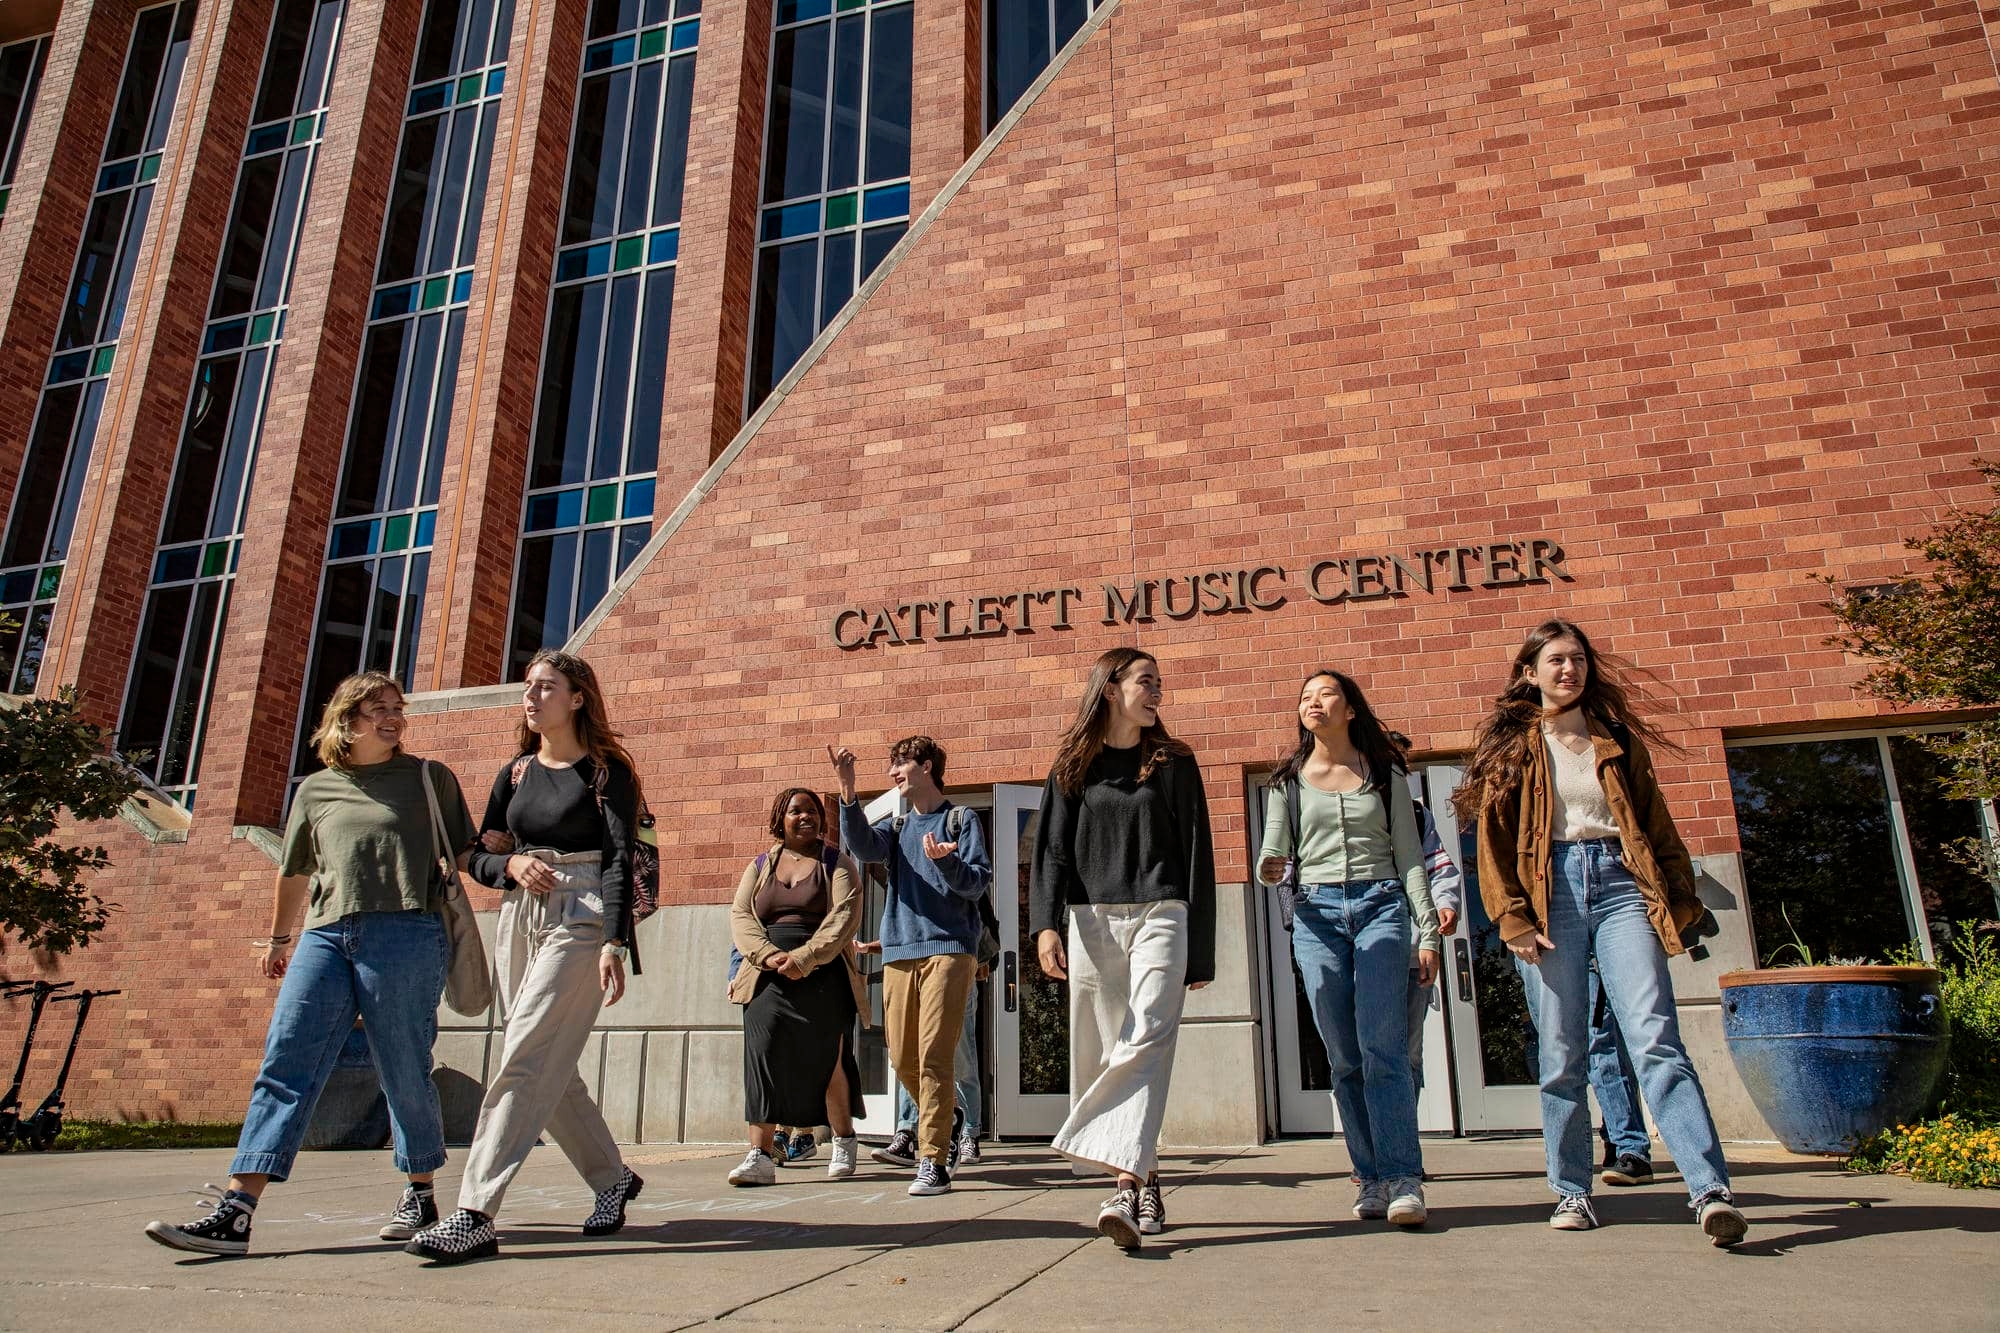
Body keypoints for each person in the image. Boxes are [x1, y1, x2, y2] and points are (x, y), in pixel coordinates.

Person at [146, 672, 473, 1256]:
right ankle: (237, 1209)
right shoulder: (316, 790)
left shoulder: (429, 779)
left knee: (402, 1065)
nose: (393, 717)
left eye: (398, 708)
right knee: (286, 1059)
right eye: (379, 709)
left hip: (405, 931)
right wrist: (277, 940)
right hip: (325, 935)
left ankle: (419, 1190)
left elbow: (468, 850)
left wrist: (519, 857)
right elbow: (295, 869)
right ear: (347, 719)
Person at [1456, 619, 1746, 1246]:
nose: (1570, 670)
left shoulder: (1614, 739)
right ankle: (1571, 1191)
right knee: (1562, 1054)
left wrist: (1678, 897)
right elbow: (1493, 844)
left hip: (1621, 884)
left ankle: (1709, 1190)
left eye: (1579, 660)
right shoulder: (1512, 748)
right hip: (1549, 892)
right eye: (1556, 660)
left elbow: (1656, 822)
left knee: (1655, 1039)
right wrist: (1512, 919)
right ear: (1527, 674)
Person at [405, 650, 646, 1264]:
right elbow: (473, 857)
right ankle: (612, 1179)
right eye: (528, 688)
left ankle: (474, 1211)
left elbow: (621, 859)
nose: (532, 698)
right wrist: (509, 862)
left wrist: (616, 941)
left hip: (585, 911)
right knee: (546, 1061)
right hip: (521, 915)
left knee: (524, 1056)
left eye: (547, 687)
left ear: (577, 698)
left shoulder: (607, 772)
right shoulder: (514, 773)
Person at [1031, 648, 1215, 1249]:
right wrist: (1046, 926)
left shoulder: (1174, 762)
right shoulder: (1072, 766)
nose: (1157, 690)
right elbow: (1052, 853)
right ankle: (1145, 1176)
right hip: (1092, 919)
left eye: (1160, 681)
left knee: (1148, 1037)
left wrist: (1202, 946)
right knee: (1113, 1049)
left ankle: (1123, 1185)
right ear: (1110, 689)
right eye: (1145, 680)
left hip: (1163, 910)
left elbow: (1197, 853)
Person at [1258, 671, 1439, 1228]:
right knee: (1344, 1057)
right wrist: (1270, 867)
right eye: (1304, 697)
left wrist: (1427, 928)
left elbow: (1410, 856)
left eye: (1324, 694)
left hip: (1382, 905)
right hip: (1316, 916)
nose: (1313, 702)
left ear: (1351, 708)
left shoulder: (1384, 773)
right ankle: (1369, 1178)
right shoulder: (1287, 781)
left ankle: (1404, 1177)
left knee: (1383, 1048)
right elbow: (1273, 852)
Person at [831, 737, 991, 1197]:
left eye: (900, 765)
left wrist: (949, 863)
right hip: (901, 949)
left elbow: (976, 884)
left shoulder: (961, 821)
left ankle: (934, 1158)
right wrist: (847, 791)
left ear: (926, 767)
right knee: (902, 1057)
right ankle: (952, 1116)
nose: (893, 774)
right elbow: (862, 847)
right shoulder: (899, 826)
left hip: (949, 949)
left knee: (936, 1058)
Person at [724, 787, 867, 1186]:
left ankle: (842, 1139)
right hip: (765, 972)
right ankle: (760, 1155)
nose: (806, 817)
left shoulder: (837, 864)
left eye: (813, 811)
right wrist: (767, 956)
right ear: (779, 819)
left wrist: (804, 958)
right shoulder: (760, 865)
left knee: (828, 1061)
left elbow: (845, 917)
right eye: (796, 811)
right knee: (763, 1055)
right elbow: (741, 915)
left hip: (823, 973)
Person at [870, 887, 998, 1169]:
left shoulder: (959, 868)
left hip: (957, 967)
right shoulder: (909, 878)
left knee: (960, 1059)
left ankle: (969, 1132)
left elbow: (983, 917)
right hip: (915, 965)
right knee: (913, 1057)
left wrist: (984, 959)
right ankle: (907, 1130)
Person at [1591, 963, 1655, 1185]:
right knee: (1598, 1044)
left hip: (1602, 954)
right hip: (1566, 955)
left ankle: (1628, 1145)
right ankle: (1620, 1140)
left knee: (1605, 1043)